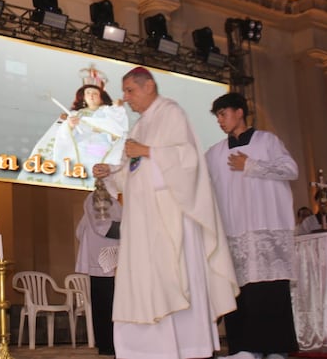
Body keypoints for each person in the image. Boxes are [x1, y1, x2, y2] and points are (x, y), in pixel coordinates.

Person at [92, 66, 238, 359]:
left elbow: (188, 159)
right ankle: (145, 349)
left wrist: (147, 151)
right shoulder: (138, 126)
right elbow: (131, 173)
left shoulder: (171, 113)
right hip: (142, 220)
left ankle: (187, 346)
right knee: (143, 283)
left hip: (171, 216)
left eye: (130, 91)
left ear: (149, 87)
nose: (126, 98)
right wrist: (110, 172)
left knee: (174, 277)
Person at [205, 92, 299, 359]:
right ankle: (244, 349)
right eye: (217, 117)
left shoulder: (267, 141)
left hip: (266, 227)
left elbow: (291, 169)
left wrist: (251, 165)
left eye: (223, 114)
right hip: (233, 230)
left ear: (239, 112)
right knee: (240, 291)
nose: (220, 121)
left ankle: (277, 350)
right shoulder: (214, 153)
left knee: (269, 290)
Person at [19, 65, 128, 188]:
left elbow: (118, 132)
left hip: (102, 152)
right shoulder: (76, 114)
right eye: (88, 93)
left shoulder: (109, 113)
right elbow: (62, 136)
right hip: (79, 153)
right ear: (83, 97)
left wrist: (104, 126)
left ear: (101, 97)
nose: (91, 96)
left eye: (95, 93)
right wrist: (69, 126)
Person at [74, 184, 121, 356]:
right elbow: (103, 226)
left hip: (107, 256)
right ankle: (108, 344)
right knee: (105, 303)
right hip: (104, 257)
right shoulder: (100, 196)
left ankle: (110, 344)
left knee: (107, 302)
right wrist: (132, 229)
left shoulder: (112, 198)